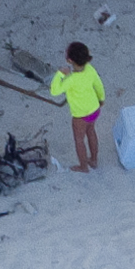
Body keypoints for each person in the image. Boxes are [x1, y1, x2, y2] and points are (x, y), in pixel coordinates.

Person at [55, 41, 108, 171]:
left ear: (70, 60)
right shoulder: (90, 69)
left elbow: (54, 90)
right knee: (91, 132)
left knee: (79, 140)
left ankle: (83, 166)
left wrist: (60, 74)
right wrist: (101, 99)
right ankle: (94, 159)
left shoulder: (71, 79)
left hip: (80, 115)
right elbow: (99, 85)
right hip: (94, 109)